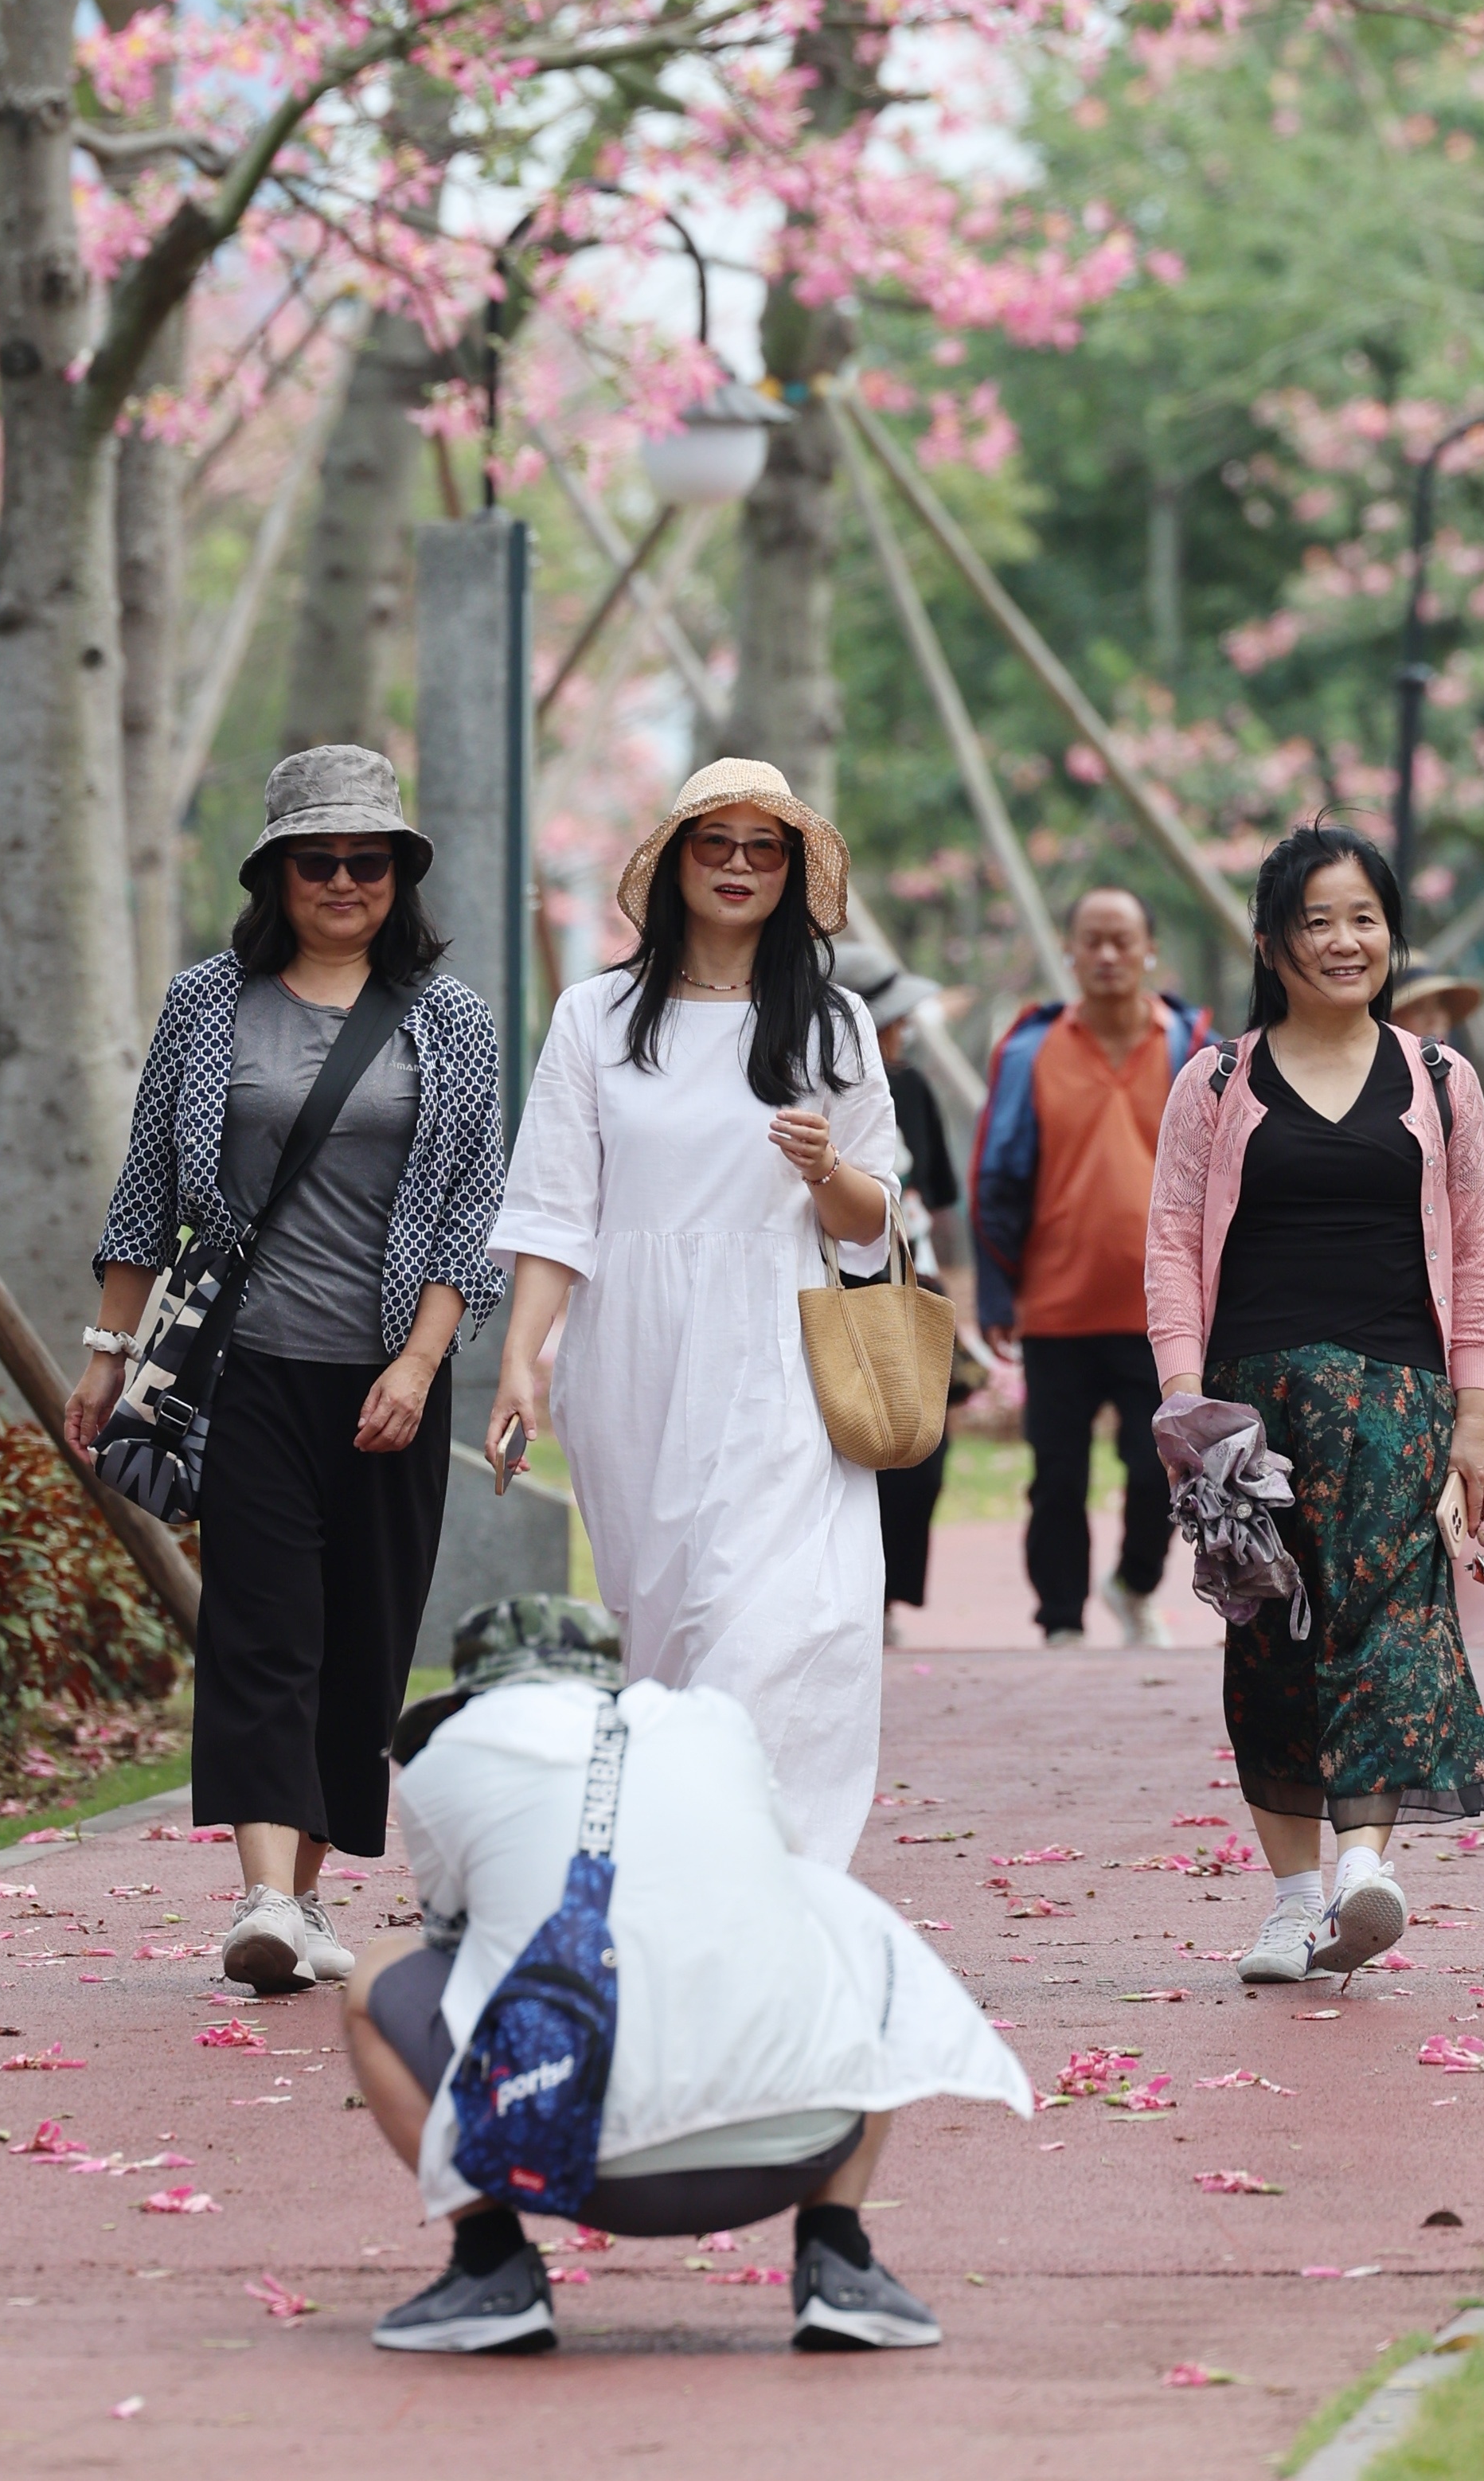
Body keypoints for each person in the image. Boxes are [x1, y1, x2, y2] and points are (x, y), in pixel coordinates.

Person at [73, 743, 505, 1995]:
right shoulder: (209, 1002)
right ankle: (264, 1894)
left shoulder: (452, 1019)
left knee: (363, 1644)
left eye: (366, 861)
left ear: (397, 875)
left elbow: (471, 1205)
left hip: (386, 1379)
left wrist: (422, 1365)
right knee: (263, 1630)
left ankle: (307, 1896)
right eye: (316, 860)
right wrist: (107, 1357)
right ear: (275, 872)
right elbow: (148, 1187)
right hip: (241, 1370)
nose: (342, 880)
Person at [350, 1592, 1030, 2354]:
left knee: (375, 1976)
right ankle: (838, 2259)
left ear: (476, 1691)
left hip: (572, 2164)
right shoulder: (711, 1722)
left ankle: (490, 2268)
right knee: (832, 1911)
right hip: (799, 2148)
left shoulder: (449, 1757)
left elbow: (450, 1938)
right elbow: (784, 1860)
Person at [485, 758, 902, 1865]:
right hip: (630, 1356)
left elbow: (872, 1222)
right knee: (665, 1623)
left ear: (789, 872)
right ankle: (676, 1860)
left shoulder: (834, 1022)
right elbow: (551, 1211)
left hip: (780, 1346)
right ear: (674, 862)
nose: (736, 865)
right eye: (713, 843)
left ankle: (769, 1863)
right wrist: (519, 1362)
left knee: (766, 1618)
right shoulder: (595, 1017)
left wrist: (824, 1168)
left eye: (762, 848)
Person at [1144, 822, 1484, 1986]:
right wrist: (1182, 1402)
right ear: (1269, 940)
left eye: (1363, 918)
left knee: (1392, 1626)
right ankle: (1292, 1903)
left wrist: (1476, 1409)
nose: (1344, 940)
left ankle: (1360, 1870)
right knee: (1269, 1639)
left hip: (1397, 1399)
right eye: (1317, 920)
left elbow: (1478, 1255)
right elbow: (1168, 1243)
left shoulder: (1441, 1081)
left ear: (1391, 934)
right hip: (1252, 1409)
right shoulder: (1214, 1079)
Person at [972, 887, 1207, 1647]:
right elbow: (997, 1175)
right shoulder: (1028, 1052)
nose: (1107, 956)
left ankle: (1134, 1583)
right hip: (1056, 1307)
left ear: (1149, 953)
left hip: (1160, 1314)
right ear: (1069, 954)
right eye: (1092, 942)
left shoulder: (1194, 1049)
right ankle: (1062, 1623)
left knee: (1160, 1471)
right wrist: (998, 1288)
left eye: (1121, 941)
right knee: (1058, 1479)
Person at [835, 937, 978, 1626]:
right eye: (888, 1018)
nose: (900, 1030)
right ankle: (846, 1591)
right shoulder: (802, 1083)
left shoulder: (911, 1086)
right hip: (830, 1290)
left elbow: (936, 1199)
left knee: (919, 1453)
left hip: (907, 1284)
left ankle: (888, 1595)